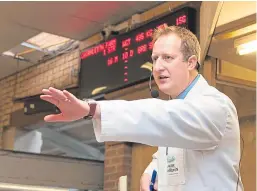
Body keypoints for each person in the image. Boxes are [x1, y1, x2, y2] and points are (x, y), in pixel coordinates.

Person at [40, 25, 243, 191]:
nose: (157, 67)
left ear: (191, 63)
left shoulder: (215, 105)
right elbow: (173, 154)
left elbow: (165, 117)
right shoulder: (178, 108)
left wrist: (92, 110)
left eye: (168, 58)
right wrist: (151, 171)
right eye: (155, 59)